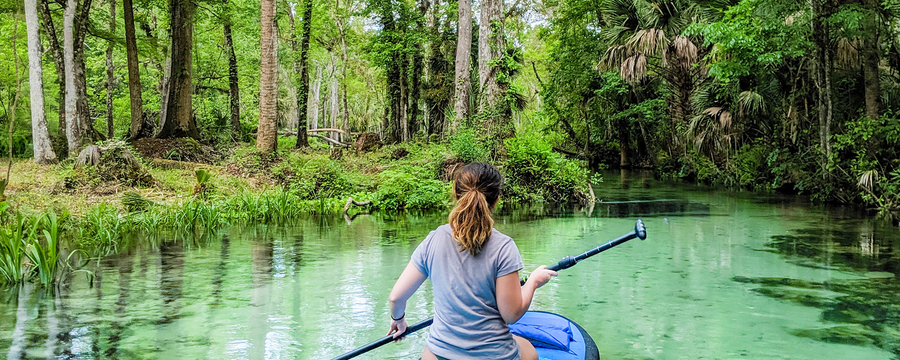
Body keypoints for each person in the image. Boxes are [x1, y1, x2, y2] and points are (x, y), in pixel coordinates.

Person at [386, 162, 557, 360]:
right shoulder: (504, 247)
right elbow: (511, 314)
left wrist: (398, 319)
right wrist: (533, 282)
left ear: (456, 194)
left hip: (442, 353)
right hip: (493, 355)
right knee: (530, 352)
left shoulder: (433, 239)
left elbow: (396, 298)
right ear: (495, 201)